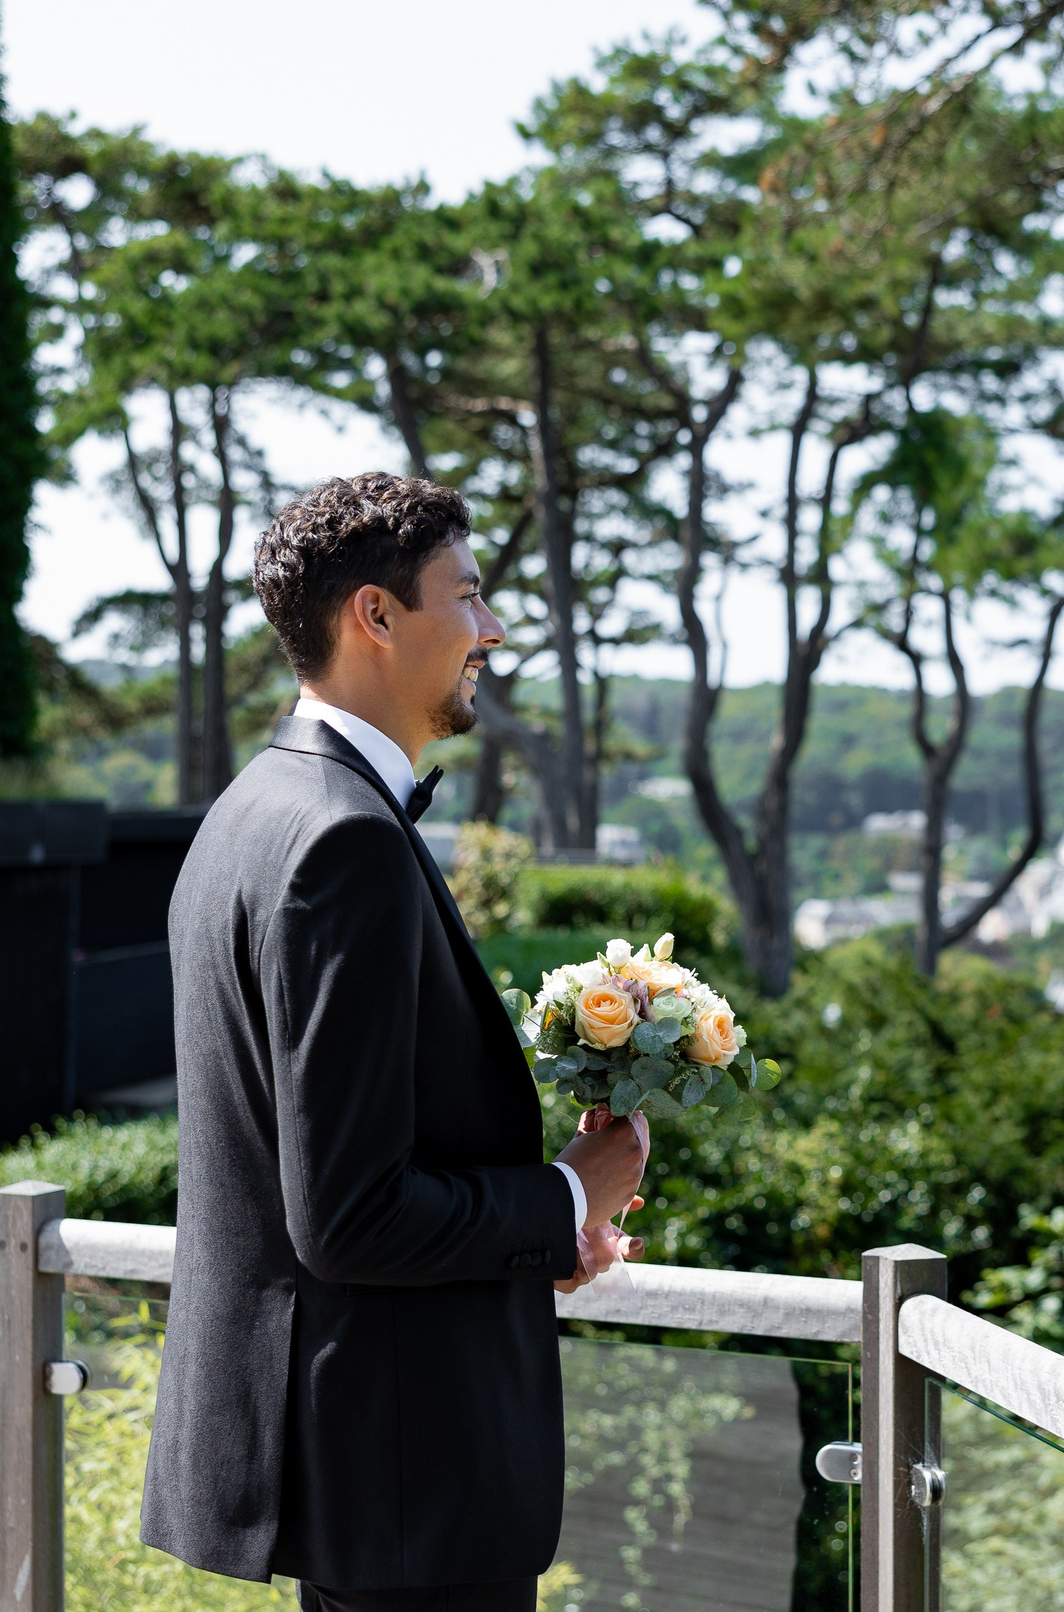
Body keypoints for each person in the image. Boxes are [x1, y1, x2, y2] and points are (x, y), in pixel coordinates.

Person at [142, 473, 648, 1611]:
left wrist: (537, 1242)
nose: (490, 628)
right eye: (465, 597)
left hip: (364, 1474)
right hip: (406, 1480)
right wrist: (566, 1198)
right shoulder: (341, 844)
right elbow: (349, 1213)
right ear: (374, 616)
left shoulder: (250, 810)